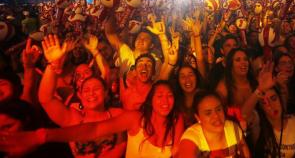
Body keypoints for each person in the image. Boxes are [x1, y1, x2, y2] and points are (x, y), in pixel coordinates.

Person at [0, 81, 184, 158]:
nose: (165, 101)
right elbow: (94, 130)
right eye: (159, 96)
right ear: (150, 100)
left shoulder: (176, 121)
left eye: (170, 96)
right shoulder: (135, 118)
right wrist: (42, 136)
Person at [39, 34, 126, 157]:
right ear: (79, 94)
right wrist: (52, 65)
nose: (91, 93)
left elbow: (121, 145)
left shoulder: (118, 115)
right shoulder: (73, 118)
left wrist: (94, 51)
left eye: (96, 89)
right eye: (86, 90)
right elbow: (45, 99)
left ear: (105, 92)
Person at [242, 64, 295, 158]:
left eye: (273, 99)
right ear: (261, 108)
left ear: (280, 99)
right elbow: (243, 115)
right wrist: (259, 89)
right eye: (264, 103)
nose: (271, 105)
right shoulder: (258, 123)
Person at [176, 90, 251, 157]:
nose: (216, 116)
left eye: (218, 109)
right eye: (208, 113)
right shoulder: (190, 140)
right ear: (198, 117)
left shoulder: (233, 129)